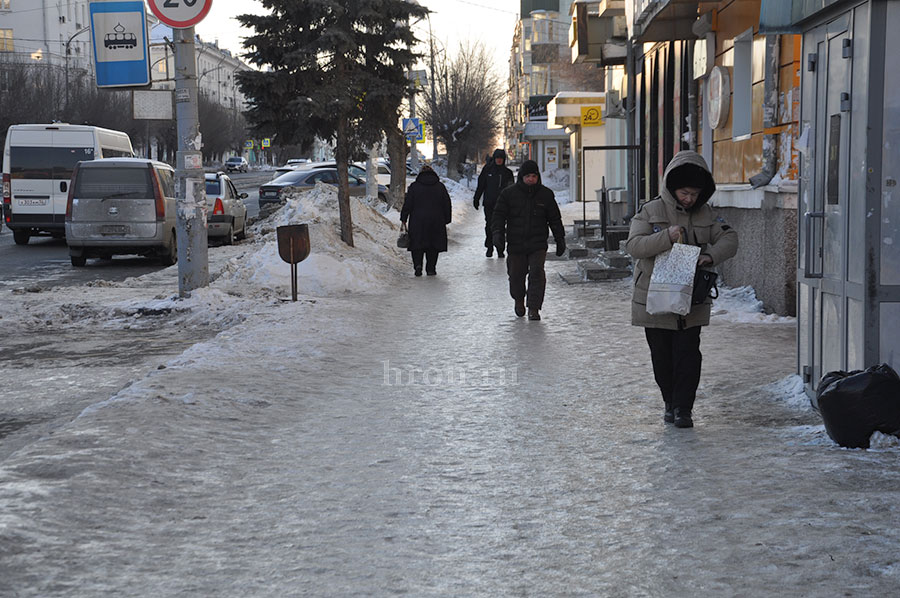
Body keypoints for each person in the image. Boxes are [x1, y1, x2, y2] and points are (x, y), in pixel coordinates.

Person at [625, 151, 738, 428]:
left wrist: (710, 256)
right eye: (685, 193)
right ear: (672, 187)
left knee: (688, 356)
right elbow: (634, 246)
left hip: (691, 299)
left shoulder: (707, 214)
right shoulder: (651, 210)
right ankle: (669, 402)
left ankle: (683, 409)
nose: (689, 199)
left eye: (695, 194)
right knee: (662, 357)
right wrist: (666, 236)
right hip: (653, 297)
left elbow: (730, 238)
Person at [492, 160, 566, 321]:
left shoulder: (546, 195)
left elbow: (554, 218)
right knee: (516, 275)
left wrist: (560, 238)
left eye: (534, 176)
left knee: (537, 273)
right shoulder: (508, 194)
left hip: (537, 243)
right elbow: (498, 215)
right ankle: (519, 300)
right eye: (527, 176)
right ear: (521, 177)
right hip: (516, 242)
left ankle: (534, 308)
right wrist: (497, 233)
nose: (531, 179)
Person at [400, 165, 452, 277]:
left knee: (417, 244)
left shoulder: (414, 187)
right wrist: (447, 219)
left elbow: (408, 203)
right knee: (433, 245)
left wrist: (404, 218)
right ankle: (431, 268)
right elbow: (447, 203)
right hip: (436, 220)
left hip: (417, 220)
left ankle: (418, 265)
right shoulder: (440, 187)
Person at [473, 148, 514, 257]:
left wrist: (512, 203)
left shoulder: (507, 173)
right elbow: (481, 185)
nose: (499, 160)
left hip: (503, 205)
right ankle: (489, 246)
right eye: (497, 158)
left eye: (501, 158)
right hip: (489, 203)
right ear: (494, 158)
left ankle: (500, 248)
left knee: (500, 226)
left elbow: (512, 190)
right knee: (489, 225)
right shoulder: (487, 170)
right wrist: (476, 198)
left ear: (504, 159)